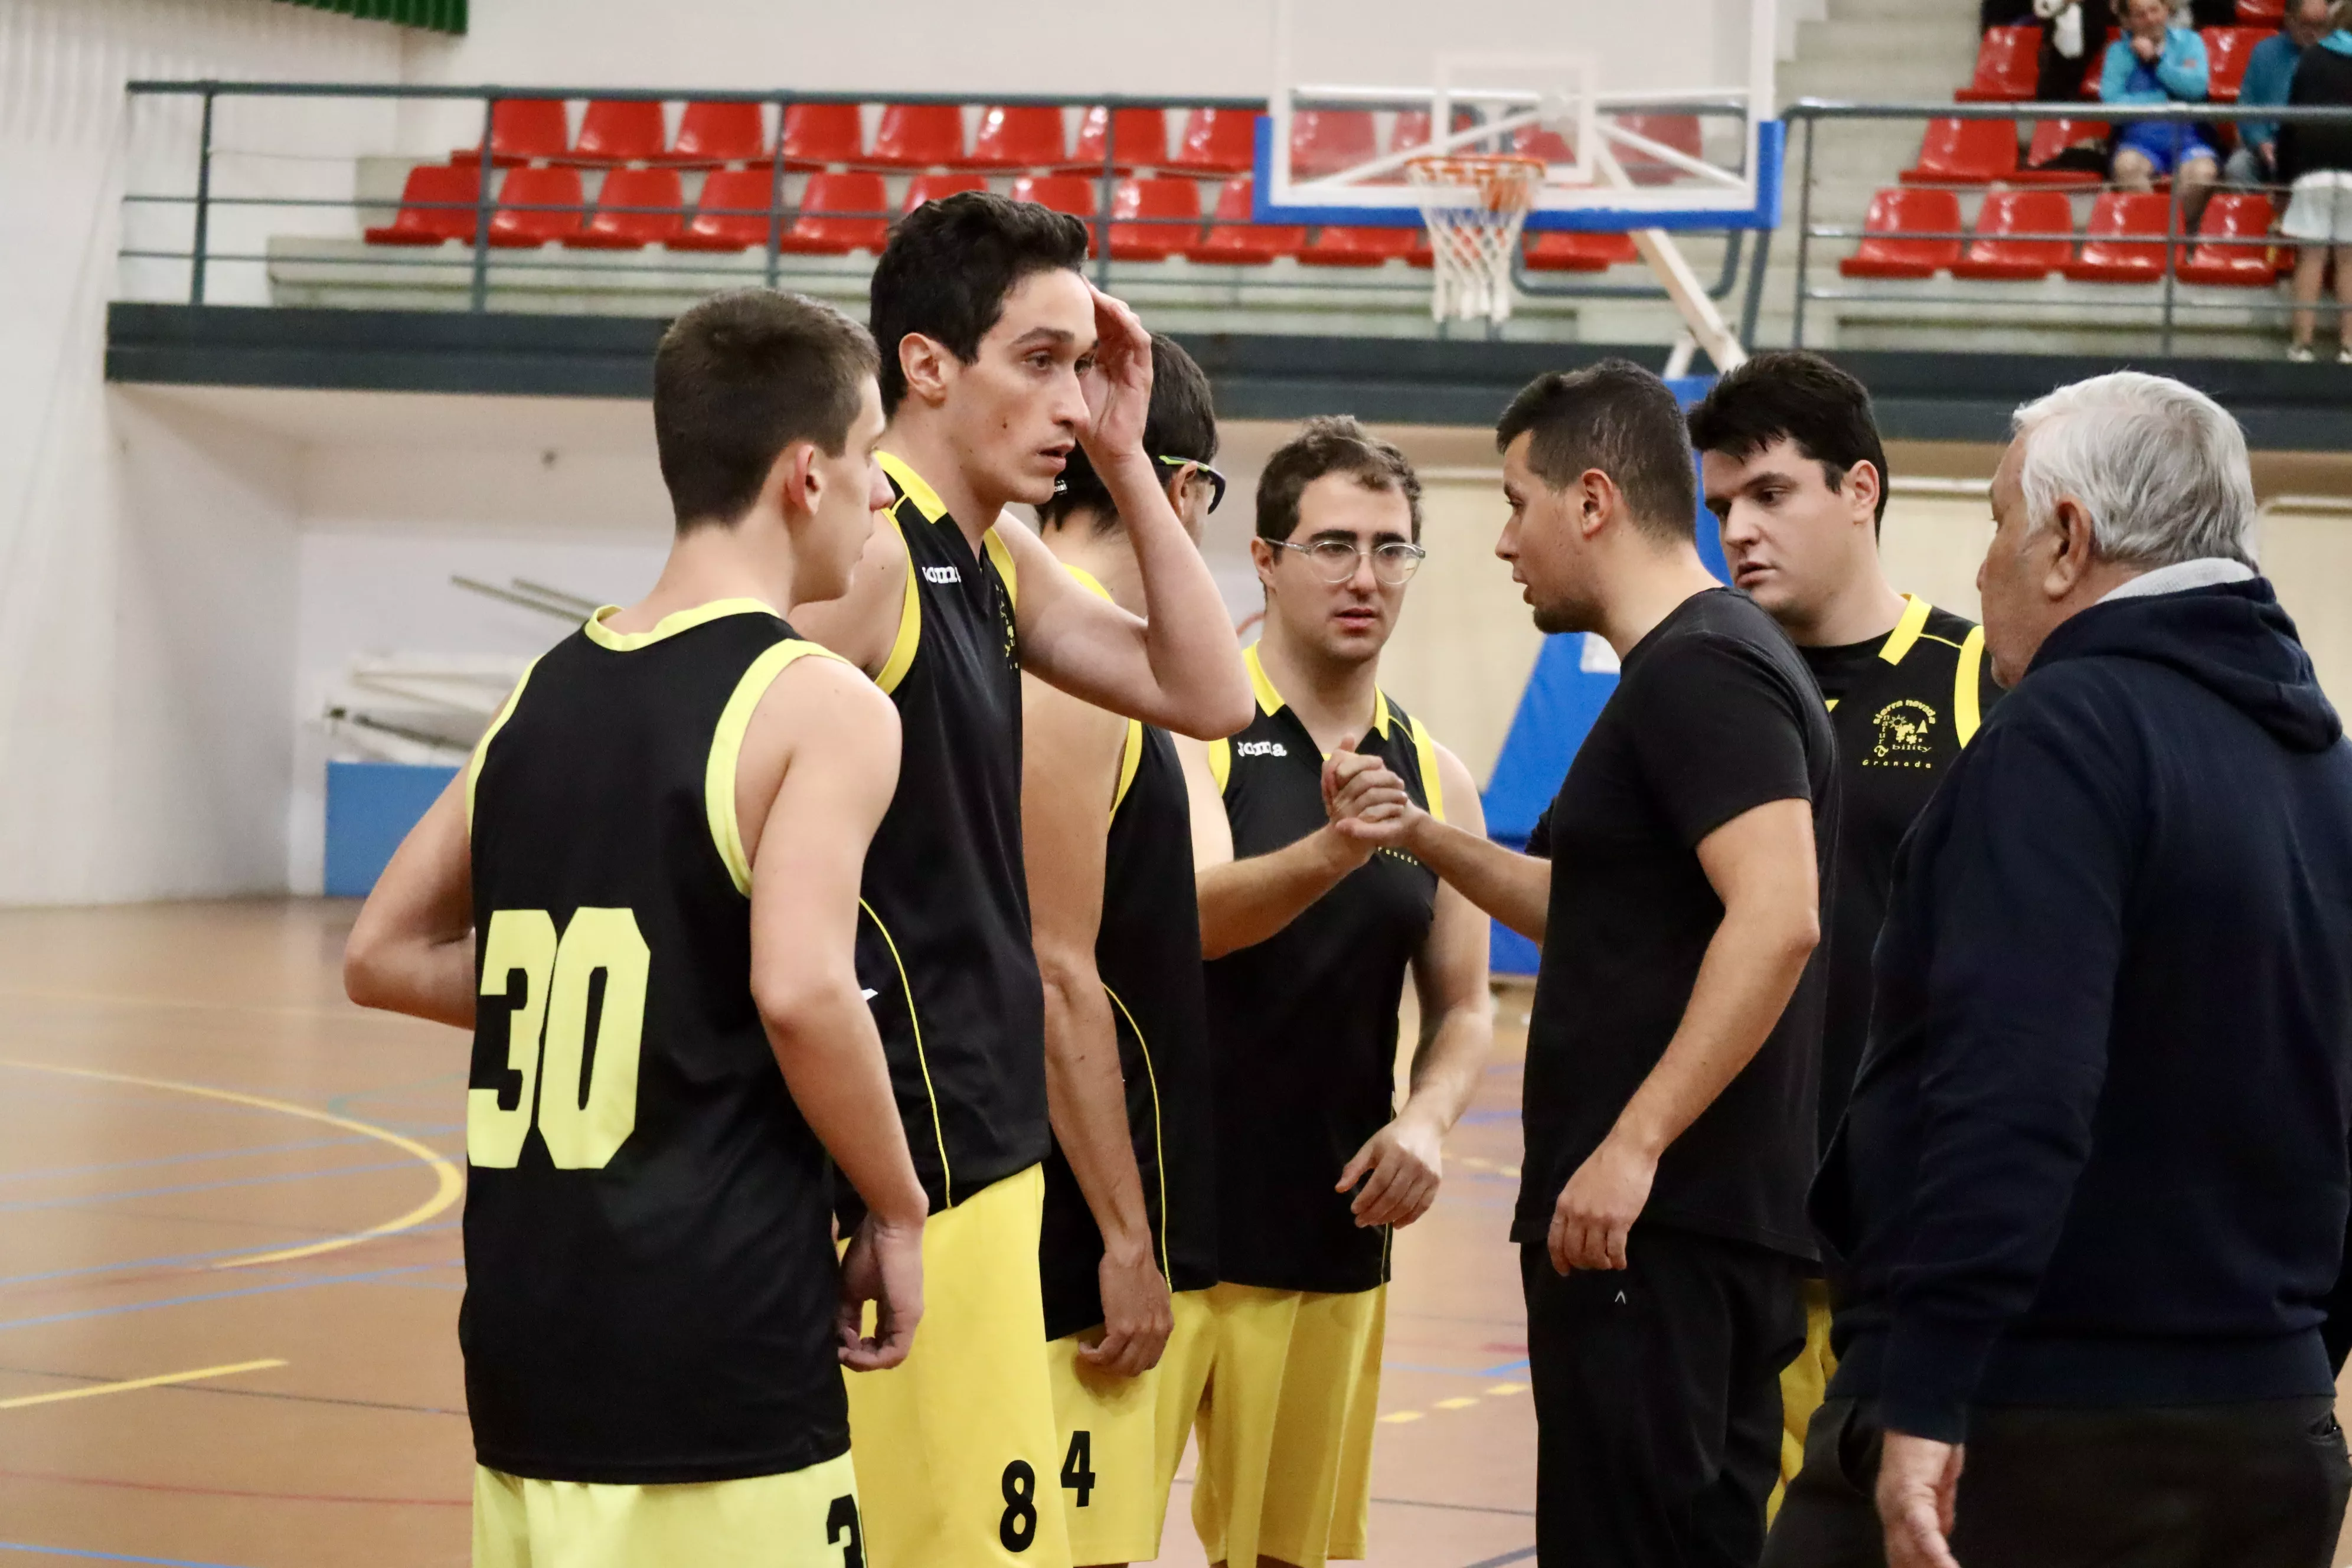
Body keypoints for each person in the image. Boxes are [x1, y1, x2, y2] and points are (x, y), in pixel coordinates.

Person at [340, 290, 931, 1564]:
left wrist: (639, 993)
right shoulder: (820, 703)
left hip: (525, 1347)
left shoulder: (543, 691)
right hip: (716, 1351)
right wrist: (896, 1205)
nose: (890, 493)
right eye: (877, 455)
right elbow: (803, 992)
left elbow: (380, 953)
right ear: (805, 474)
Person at [1764, 371, 2352, 1568]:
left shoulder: (2064, 734)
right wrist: (2291, 1363)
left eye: (1996, 521)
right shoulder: (2324, 767)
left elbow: (2013, 1082)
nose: (1982, 568)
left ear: (2068, 541)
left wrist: (1929, 1390)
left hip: (2030, 1424)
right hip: (2268, 1430)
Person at [785, 191, 1251, 1568]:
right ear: (927, 365)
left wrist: (1125, 450)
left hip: (987, 1155)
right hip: (902, 1156)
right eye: (1042, 362)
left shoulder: (994, 554)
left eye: (1082, 367)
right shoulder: (872, 555)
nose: (1071, 398)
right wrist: (867, 1182)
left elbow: (1207, 691)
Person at [1355, 361, 1836, 1567]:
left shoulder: (1704, 668)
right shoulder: (1689, 670)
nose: (1506, 542)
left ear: (1591, 500)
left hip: (1659, 1226)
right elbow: (1599, 908)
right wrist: (1424, 834)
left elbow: (1777, 916)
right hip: (1663, 1226)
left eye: (1516, 502)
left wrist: (1633, 1143)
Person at [1172, 415, 1494, 1568]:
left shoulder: (1437, 773)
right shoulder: (1193, 732)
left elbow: (1465, 1000)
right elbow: (1192, 921)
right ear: (1264, 559)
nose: (1366, 576)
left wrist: (1427, 1116)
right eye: (1333, 545)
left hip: (1328, 1232)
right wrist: (1336, 849)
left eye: (1392, 549)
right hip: (1167, 1235)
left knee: (1283, 1559)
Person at [1686, 350, 2004, 1511]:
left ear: (1861, 488)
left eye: (1771, 493)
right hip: (1738, 1227)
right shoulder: (1702, 678)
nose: (1740, 530)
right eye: (1722, 506)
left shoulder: (1981, 675)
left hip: (1911, 1245)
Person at [1023, 334, 1224, 1568]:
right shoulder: (1071, 656)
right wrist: (1122, 1233)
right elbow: (1055, 968)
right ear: (1184, 489)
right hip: (1054, 1218)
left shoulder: (1101, 652)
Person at [2278, 2, 2352, 362]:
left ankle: (2302, 346)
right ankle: (2349, 348)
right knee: (2350, 261)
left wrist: (2282, 180)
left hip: (2313, 173)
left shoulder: (2311, 59)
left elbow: (2291, 124)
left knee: (2310, 259)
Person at [2102, 0, 2221, 224]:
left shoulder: (2190, 42)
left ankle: (2172, 235)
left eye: (2155, 10)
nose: (2150, 19)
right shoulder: (2118, 53)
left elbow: (2195, 89)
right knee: (2126, 168)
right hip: (2139, 144)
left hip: (2190, 141)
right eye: (2140, 15)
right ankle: (2157, 234)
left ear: (2166, 10)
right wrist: (2162, 99)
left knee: (2204, 174)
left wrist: (2156, 61)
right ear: (2127, 21)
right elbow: (2112, 107)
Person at [2223, 0, 2333, 190]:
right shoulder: (2264, 52)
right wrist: (2262, 142)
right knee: (2238, 167)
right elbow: (2247, 108)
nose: (2312, 32)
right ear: (2289, 20)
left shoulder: (2335, 59)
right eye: (2305, 24)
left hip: (2319, 150)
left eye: (2320, 26)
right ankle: (2254, 218)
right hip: (2270, 146)